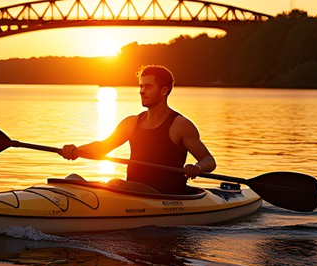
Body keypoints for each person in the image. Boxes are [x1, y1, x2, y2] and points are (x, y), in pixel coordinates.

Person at [59, 65, 216, 194]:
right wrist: (75, 151)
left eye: (148, 86)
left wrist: (197, 167)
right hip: (132, 193)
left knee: (115, 183)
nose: (141, 91)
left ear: (164, 91)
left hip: (162, 195)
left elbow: (209, 161)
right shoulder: (131, 123)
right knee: (72, 179)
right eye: (141, 86)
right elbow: (102, 148)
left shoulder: (180, 125)